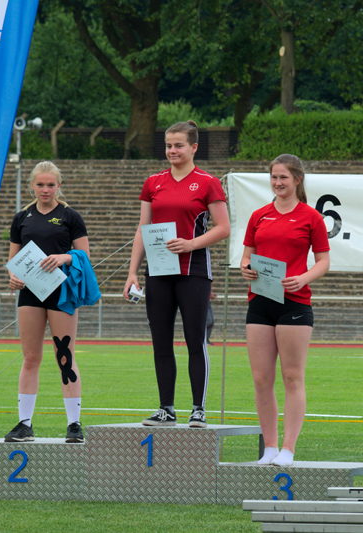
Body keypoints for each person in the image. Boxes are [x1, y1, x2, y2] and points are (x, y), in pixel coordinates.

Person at [123, 120, 230, 428]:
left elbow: (223, 228)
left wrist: (190, 244)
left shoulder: (207, 182)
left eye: (179, 145)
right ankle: (166, 408)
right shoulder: (153, 182)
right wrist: (132, 273)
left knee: (195, 340)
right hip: (158, 271)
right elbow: (143, 229)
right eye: (169, 145)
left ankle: (198, 408)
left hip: (194, 271)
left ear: (194, 147)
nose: (172, 150)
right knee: (160, 342)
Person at [240, 154, 330, 466]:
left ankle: (288, 449)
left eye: (284, 178)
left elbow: (323, 261)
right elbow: (246, 257)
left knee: (292, 376)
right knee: (261, 378)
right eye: (274, 178)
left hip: (295, 302)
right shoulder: (259, 216)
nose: (278, 183)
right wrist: (246, 269)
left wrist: (301, 278)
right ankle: (269, 448)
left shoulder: (310, 217)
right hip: (260, 302)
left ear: (297, 180)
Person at [4, 161, 91, 444]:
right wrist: (13, 277)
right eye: (40, 185)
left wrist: (64, 258)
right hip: (30, 293)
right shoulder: (22, 218)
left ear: (59, 186)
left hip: (61, 291)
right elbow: (13, 259)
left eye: (50, 185)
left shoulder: (70, 216)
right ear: (32, 185)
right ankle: (24, 423)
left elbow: (84, 255)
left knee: (64, 355)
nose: (45, 190)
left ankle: (74, 424)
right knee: (30, 357)